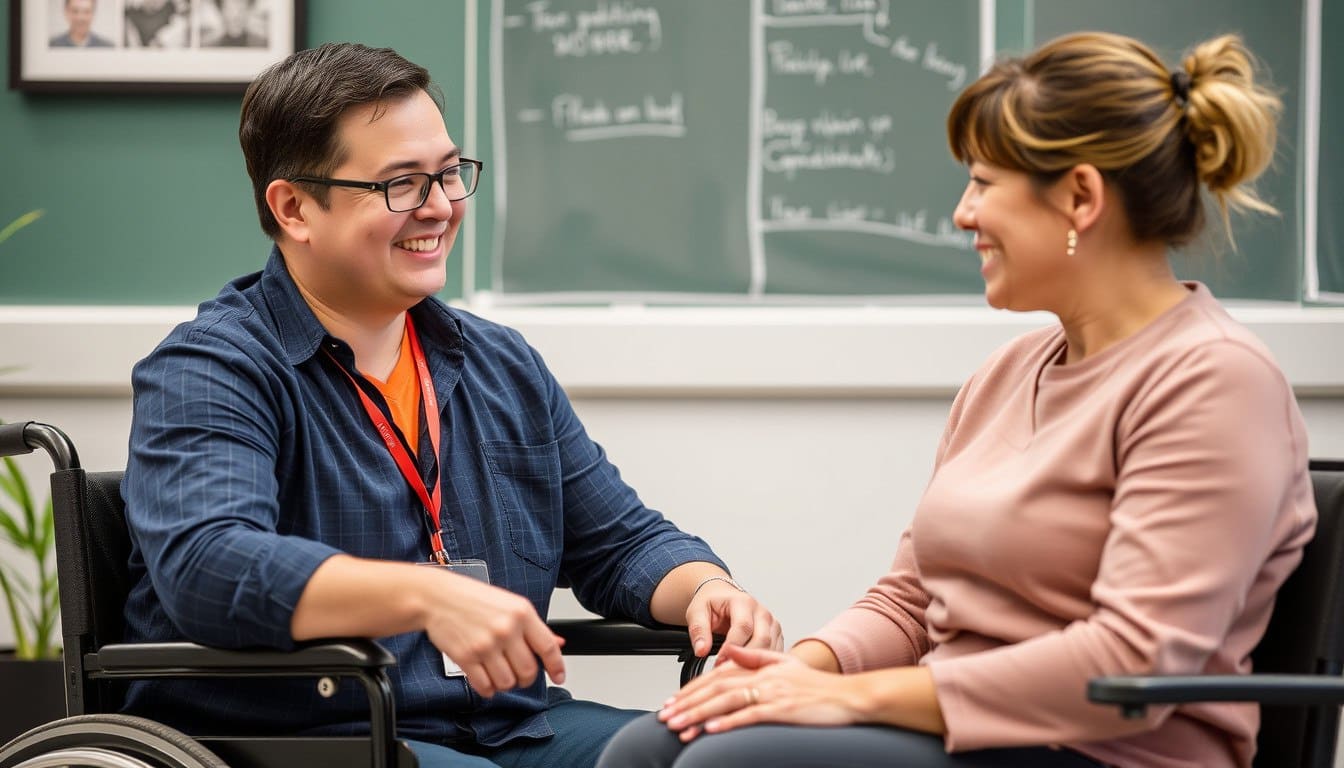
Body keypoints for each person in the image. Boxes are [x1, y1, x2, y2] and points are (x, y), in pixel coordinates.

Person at [598, 31, 1316, 768]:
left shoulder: (1215, 383)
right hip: (954, 731)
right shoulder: (1005, 374)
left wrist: (849, 700)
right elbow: (910, 601)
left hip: (1105, 753)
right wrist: (792, 675)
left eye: (983, 183)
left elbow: (1127, 662)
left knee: (732, 765)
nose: (962, 214)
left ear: (1079, 196)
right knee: (651, 746)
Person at [121, 42, 782, 768]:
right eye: (401, 184)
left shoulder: (500, 364)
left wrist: (707, 589)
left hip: (509, 729)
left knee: (721, 751)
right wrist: (426, 597)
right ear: (295, 207)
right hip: (315, 740)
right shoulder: (211, 367)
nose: (439, 207)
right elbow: (211, 566)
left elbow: (620, 542)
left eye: (448, 175)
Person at [48, 0, 113, 47]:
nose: (81, 18)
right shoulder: (53, 45)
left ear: (93, 14)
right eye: (75, 11)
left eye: (86, 11)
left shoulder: (107, 47)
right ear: (66, 12)